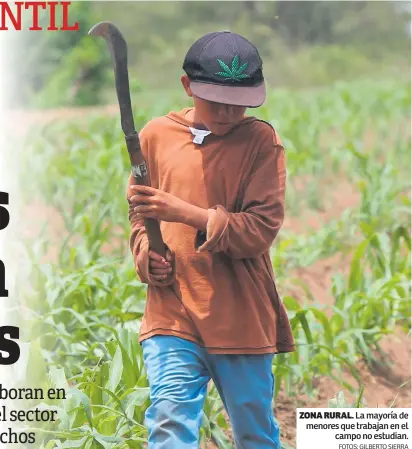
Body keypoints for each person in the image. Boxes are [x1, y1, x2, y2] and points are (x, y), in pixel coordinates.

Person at [126, 30, 296, 449]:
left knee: (254, 433)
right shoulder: (155, 136)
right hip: (173, 310)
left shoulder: (260, 142)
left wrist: (186, 214)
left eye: (239, 103)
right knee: (168, 420)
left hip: (238, 313)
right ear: (187, 86)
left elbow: (259, 231)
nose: (227, 111)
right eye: (216, 100)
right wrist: (147, 254)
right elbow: (138, 213)